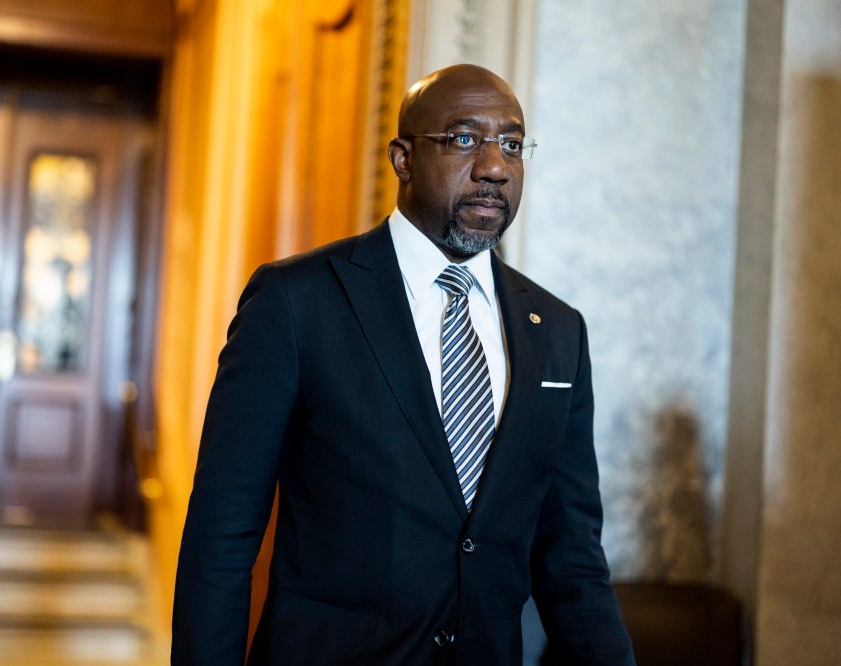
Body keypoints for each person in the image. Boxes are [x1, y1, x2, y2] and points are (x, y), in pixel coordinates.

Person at [172, 64, 635, 665]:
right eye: (465, 139)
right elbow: (222, 536)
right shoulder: (297, 301)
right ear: (403, 158)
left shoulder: (559, 331)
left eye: (513, 145)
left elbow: (571, 558)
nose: (495, 166)